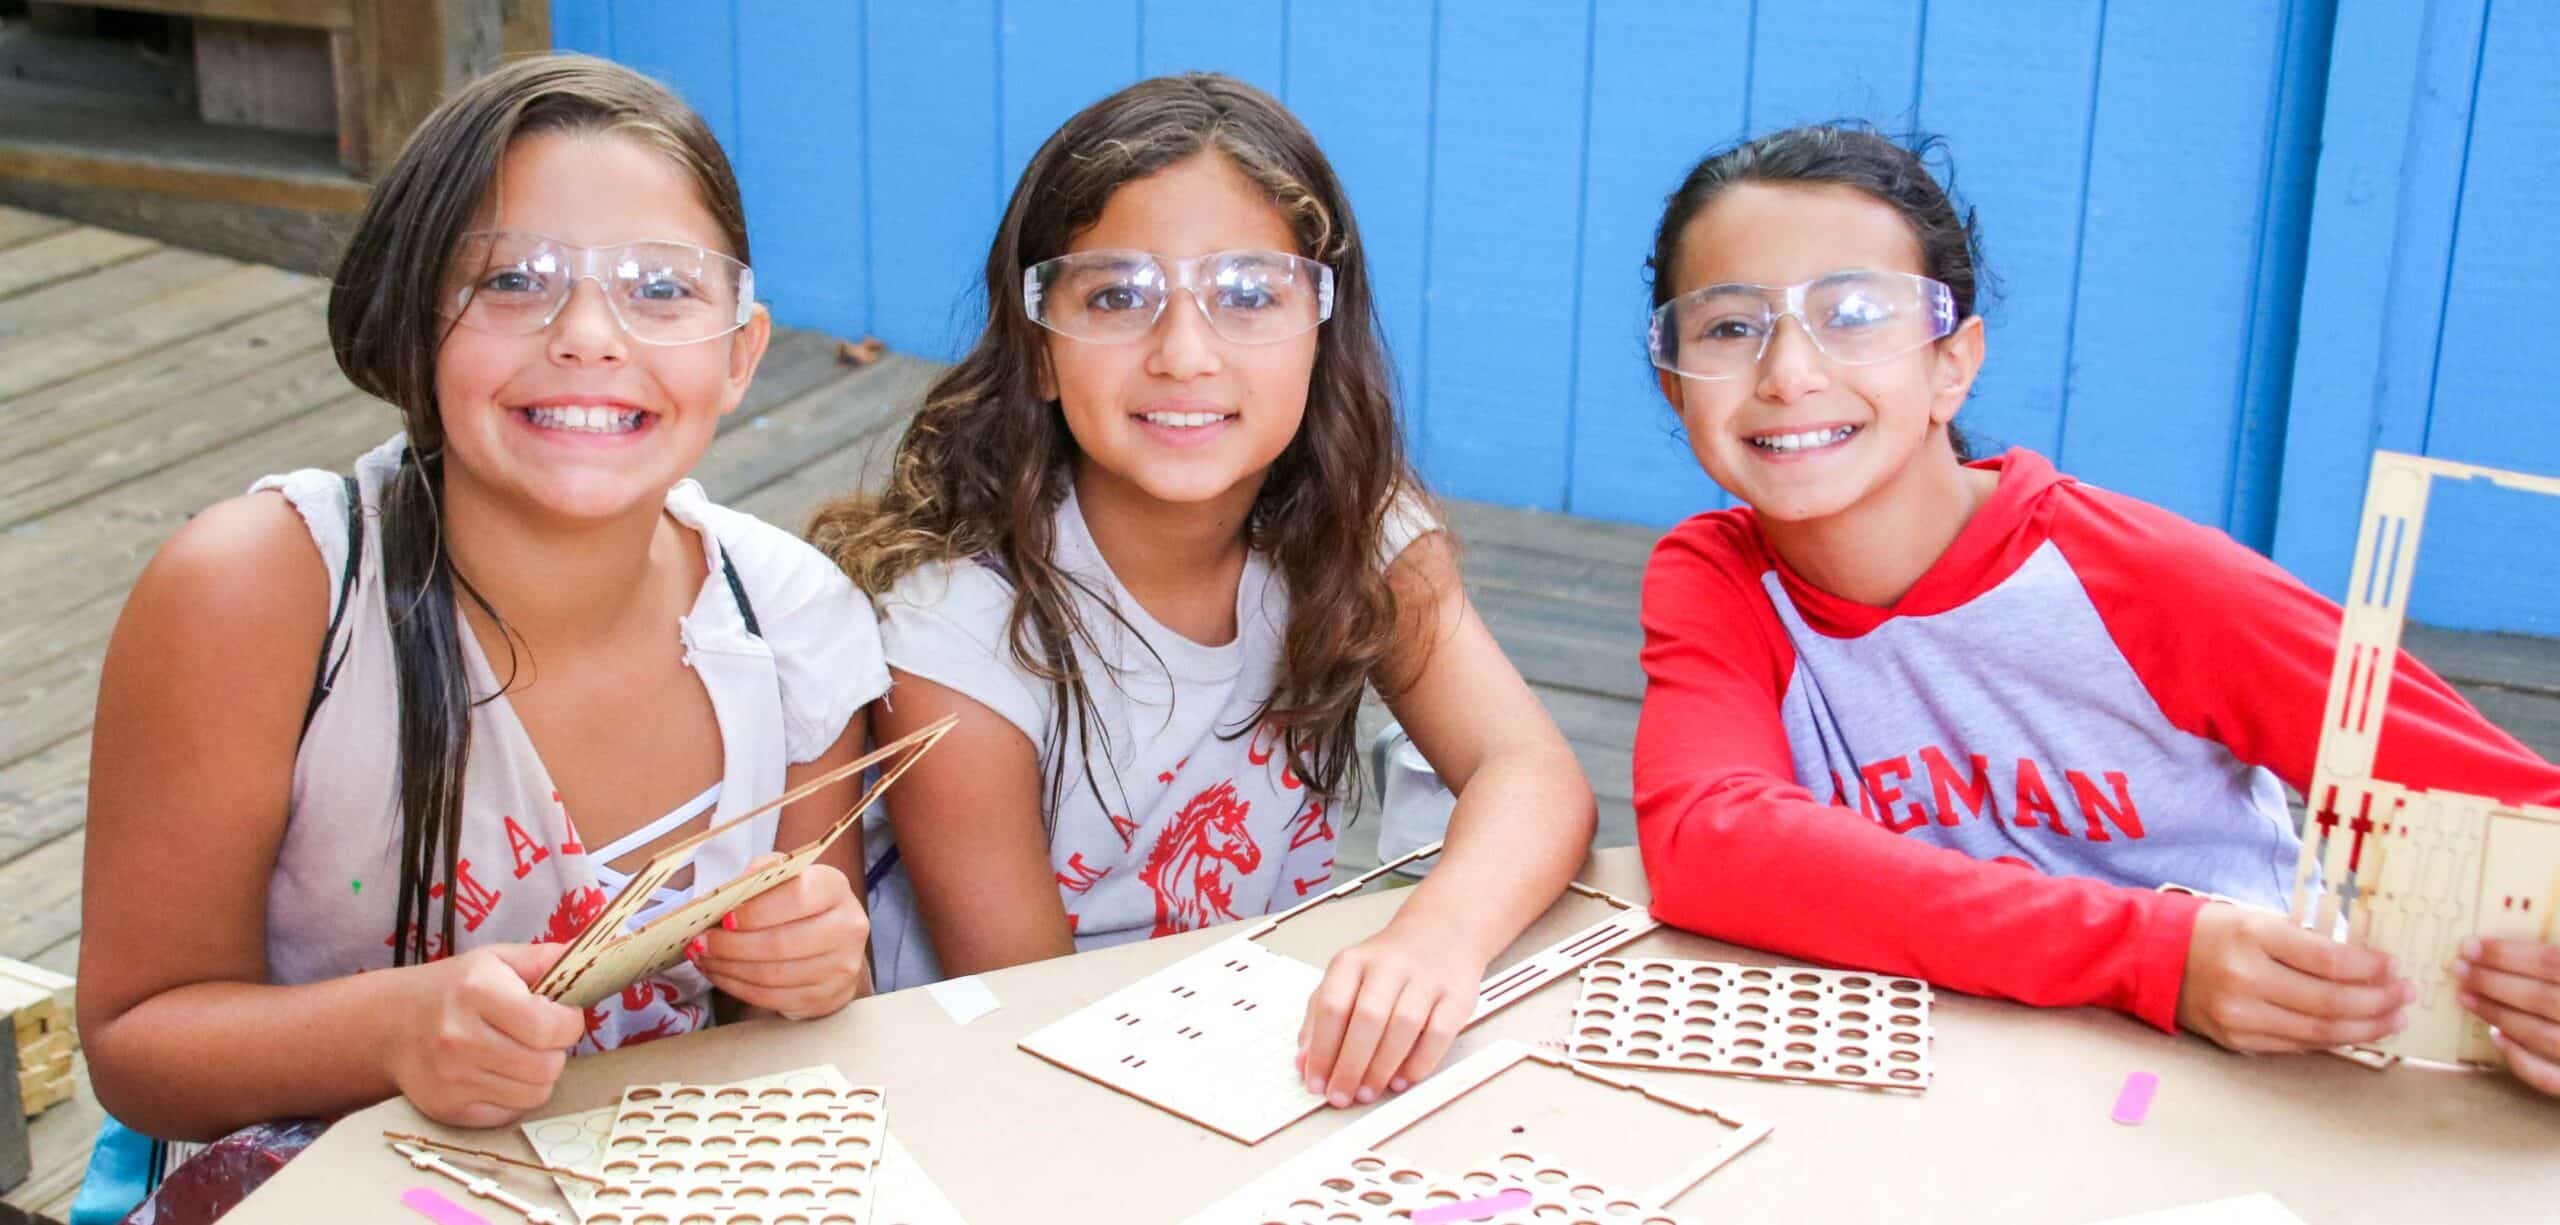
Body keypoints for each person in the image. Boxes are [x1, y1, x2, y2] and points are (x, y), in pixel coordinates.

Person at [73, 55, 884, 1220]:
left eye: (662, 288)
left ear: (740, 353)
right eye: (515, 280)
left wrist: (817, 968)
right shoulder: (267, 592)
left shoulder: (792, 618)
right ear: (415, 323)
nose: (592, 336)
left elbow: (792, 1023)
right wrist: (390, 1028)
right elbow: (136, 1047)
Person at [1629, 123, 2560, 1077]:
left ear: (1953, 362)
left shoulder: (2155, 580)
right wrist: (2151, 951)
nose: (1788, 373)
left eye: (1857, 311)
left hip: (2235, 1080)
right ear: (1674, 383)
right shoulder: (1717, 578)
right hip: (1922, 1077)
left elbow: (2525, 811)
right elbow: (1711, 842)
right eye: (1730, 327)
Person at [810, 73, 1594, 1108]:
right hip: (1007, 1086)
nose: (1184, 353)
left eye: (1249, 294)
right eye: (1117, 296)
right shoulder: (954, 630)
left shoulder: (1356, 528)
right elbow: (1032, 1018)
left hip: (1252, 1037)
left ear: (1320, 325)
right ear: (1039, 347)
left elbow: (1530, 771)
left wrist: (1431, 939)